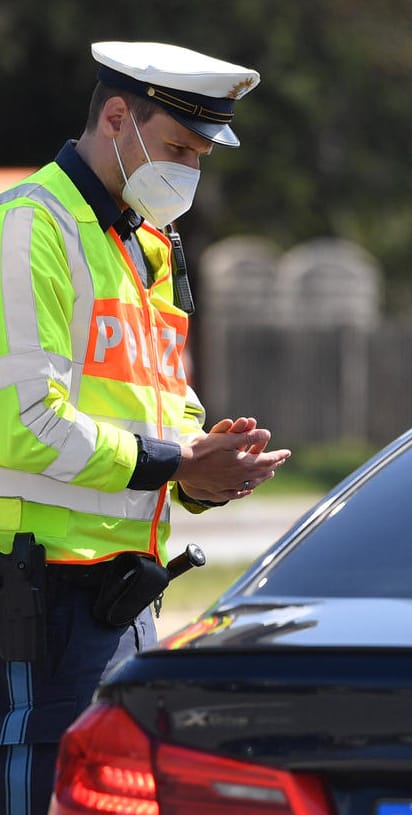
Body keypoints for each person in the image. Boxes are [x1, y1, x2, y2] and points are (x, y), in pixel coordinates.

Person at [0, 41, 290, 814]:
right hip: (40, 591)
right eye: (177, 150)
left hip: (125, 592)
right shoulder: (32, 229)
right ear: (117, 117)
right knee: (42, 783)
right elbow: (24, 424)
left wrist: (210, 464)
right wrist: (175, 463)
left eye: (198, 157)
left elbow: (165, 399)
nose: (188, 173)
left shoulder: (146, 243)